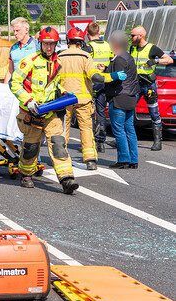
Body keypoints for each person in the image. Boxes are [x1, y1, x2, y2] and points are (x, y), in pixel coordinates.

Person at [10, 26, 78, 194]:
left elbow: (56, 84)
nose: (49, 47)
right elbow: (15, 83)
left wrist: (63, 92)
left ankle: (66, 179)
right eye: (46, 44)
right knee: (31, 148)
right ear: (40, 43)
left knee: (58, 144)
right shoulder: (30, 60)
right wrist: (29, 101)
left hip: (50, 113)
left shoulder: (58, 63)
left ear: (56, 44)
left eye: (52, 44)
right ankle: (26, 175)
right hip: (31, 113)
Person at [58, 27, 122, 170]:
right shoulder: (86, 57)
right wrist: (113, 76)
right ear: (82, 42)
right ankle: (90, 160)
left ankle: (62, 157)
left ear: (68, 41)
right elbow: (95, 76)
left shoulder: (60, 57)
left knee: (63, 129)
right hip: (83, 100)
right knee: (86, 129)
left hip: (64, 100)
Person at [129, 26, 173, 151]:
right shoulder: (132, 48)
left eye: (133, 36)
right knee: (128, 110)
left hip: (148, 84)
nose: (131, 38)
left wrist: (155, 61)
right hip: (135, 84)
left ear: (140, 36)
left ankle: (158, 141)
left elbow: (168, 60)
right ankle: (126, 138)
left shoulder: (152, 48)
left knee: (154, 112)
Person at [105, 30, 140, 169]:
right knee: (130, 129)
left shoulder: (119, 59)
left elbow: (117, 79)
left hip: (119, 97)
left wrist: (105, 76)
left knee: (119, 130)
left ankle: (123, 159)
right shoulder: (129, 57)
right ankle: (133, 160)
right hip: (131, 97)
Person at [82, 21, 113, 153]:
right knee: (101, 113)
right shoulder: (107, 45)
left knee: (89, 114)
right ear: (99, 32)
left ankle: (91, 142)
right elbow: (112, 62)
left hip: (93, 83)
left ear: (88, 35)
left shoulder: (89, 48)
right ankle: (101, 142)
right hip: (106, 81)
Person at [5, 17, 38, 82]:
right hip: (16, 87)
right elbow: (10, 71)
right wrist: (5, 87)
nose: (15, 33)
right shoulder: (13, 48)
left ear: (26, 30)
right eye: (14, 31)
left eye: (17, 30)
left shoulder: (37, 45)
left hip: (33, 88)